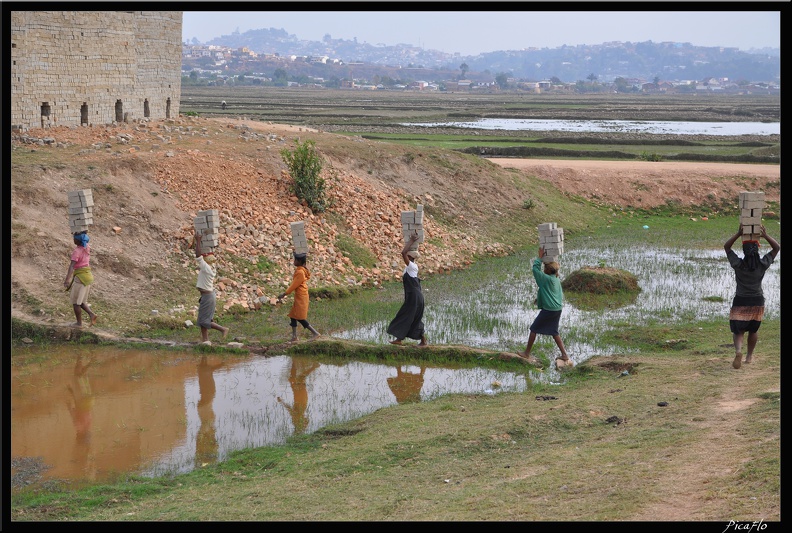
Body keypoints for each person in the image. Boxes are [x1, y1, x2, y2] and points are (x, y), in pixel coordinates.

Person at [724, 223, 780, 369]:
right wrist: (765, 235)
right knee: (753, 330)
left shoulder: (738, 264)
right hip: (757, 300)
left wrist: (738, 234)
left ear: (743, 251)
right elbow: (777, 248)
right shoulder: (762, 264)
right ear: (757, 251)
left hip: (740, 300)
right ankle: (749, 357)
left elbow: (727, 247)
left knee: (739, 330)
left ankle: (738, 351)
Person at [518, 246, 570, 366]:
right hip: (557, 309)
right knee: (554, 332)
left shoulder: (545, 279)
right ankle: (564, 355)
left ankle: (526, 353)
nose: (543, 270)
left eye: (545, 268)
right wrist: (540, 298)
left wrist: (540, 258)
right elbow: (552, 293)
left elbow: (535, 270)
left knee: (534, 328)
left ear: (547, 270)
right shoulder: (556, 279)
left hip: (549, 310)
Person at [387, 231, 428, 346]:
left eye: (407, 255)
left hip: (414, 297)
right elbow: (404, 253)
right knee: (411, 317)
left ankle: (402, 339)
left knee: (406, 315)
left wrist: (412, 240)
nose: (405, 256)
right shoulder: (409, 268)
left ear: (409, 257)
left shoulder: (412, 267)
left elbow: (403, 252)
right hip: (414, 297)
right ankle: (404, 339)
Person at [194, 231, 229, 345]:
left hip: (208, 296)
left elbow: (198, 255)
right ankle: (205, 340)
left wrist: (198, 241)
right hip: (207, 296)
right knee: (202, 320)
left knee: (205, 320)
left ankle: (223, 329)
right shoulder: (211, 267)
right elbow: (203, 256)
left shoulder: (207, 268)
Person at [277, 252, 320, 342]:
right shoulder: (301, 270)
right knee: (293, 315)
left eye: (295, 260)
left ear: (299, 261)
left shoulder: (300, 272)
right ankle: (294, 337)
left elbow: (293, 285)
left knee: (300, 317)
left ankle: (315, 333)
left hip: (301, 296)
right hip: (300, 295)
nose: (294, 261)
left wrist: (284, 294)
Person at [63, 231, 98, 327]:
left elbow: (72, 266)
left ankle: (79, 323)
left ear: (77, 241)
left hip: (80, 278)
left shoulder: (77, 251)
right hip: (88, 276)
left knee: (75, 303)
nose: (73, 239)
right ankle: (92, 315)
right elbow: (84, 237)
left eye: (74, 238)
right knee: (81, 301)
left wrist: (67, 280)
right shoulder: (87, 247)